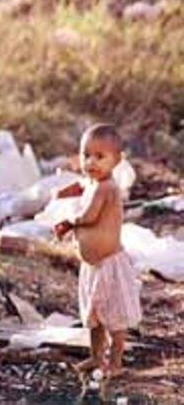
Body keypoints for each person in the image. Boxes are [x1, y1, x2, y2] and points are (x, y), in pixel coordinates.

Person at [53, 124, 141, 378]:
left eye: (100, 157)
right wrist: (66, 191)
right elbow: (82, 185)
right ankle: (95, 357)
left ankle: (116, 360)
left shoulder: (106, 188)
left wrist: (68, 220)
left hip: (109, 265)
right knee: (94, 315)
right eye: (86, 155)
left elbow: (88, 216)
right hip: (92, 266)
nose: (91, 162)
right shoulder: (92, 182)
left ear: (117, 160)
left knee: (114, 316)